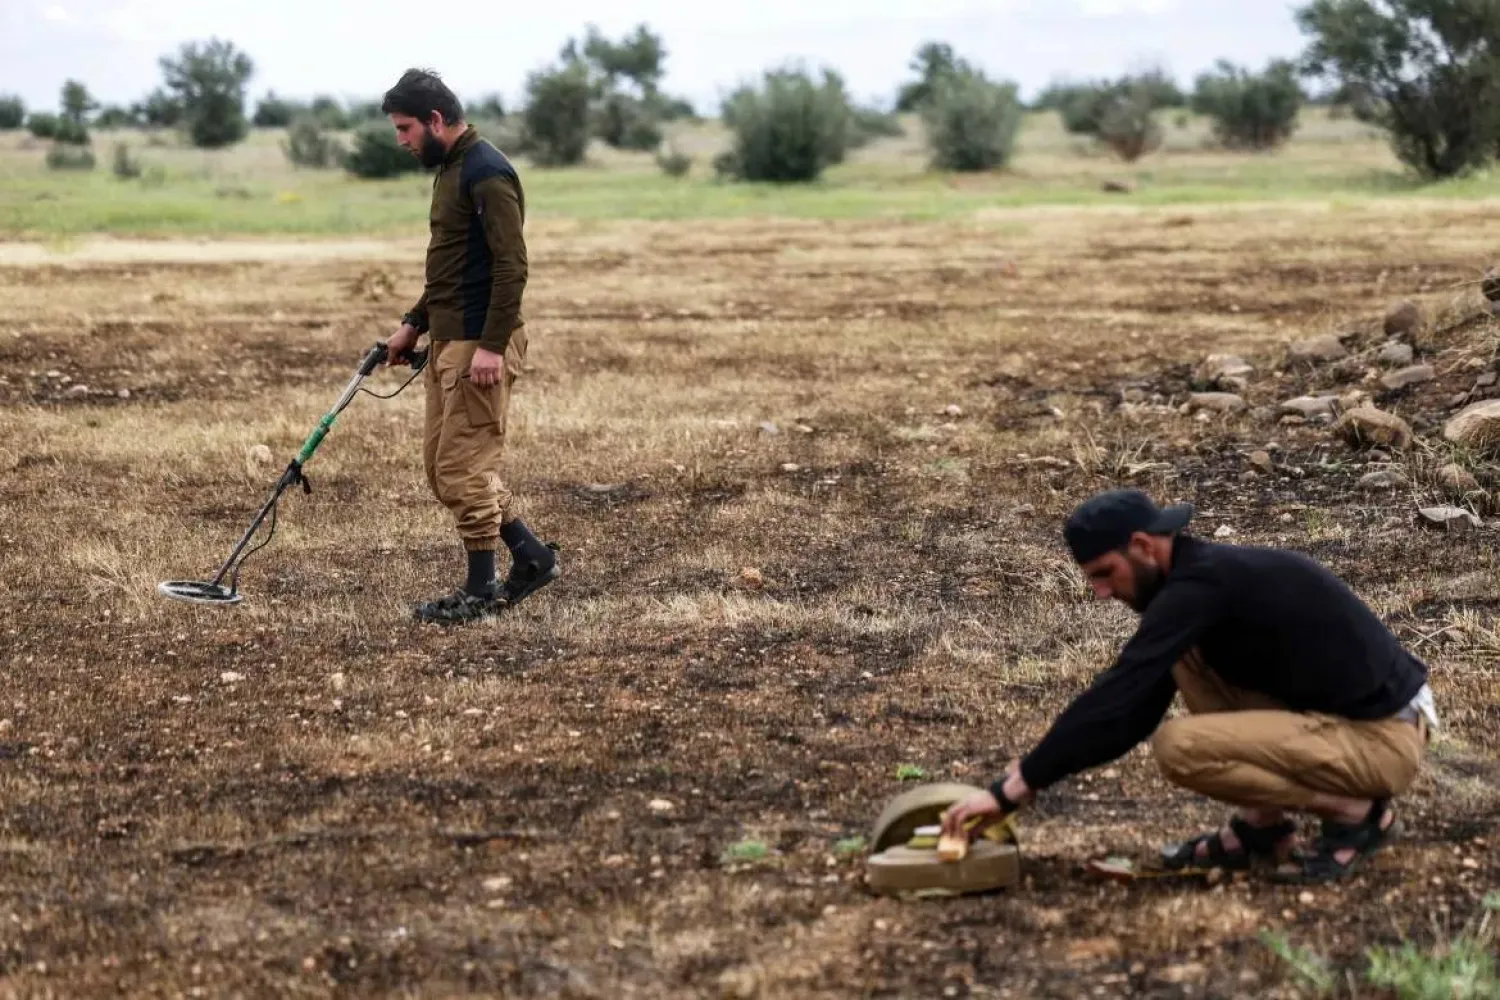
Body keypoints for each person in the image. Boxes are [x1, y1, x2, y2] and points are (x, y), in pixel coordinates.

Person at [941, 488, 1439, 884]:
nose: (1100, 592)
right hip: (1353, 723)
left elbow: (1120, 695)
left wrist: (1014, 788)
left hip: (1383, 739)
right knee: (1184, 659)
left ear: (1142, 545)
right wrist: (1032, 774)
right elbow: (1133, 708)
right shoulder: (1195, 585)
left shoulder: (1205, 586)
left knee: (1180, 748)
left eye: (1105, 573)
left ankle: (1358, 814)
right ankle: (1261, 828)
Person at [380, 68, 559, 624]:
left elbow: (511, 267)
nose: (401, 140)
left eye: (406, 128)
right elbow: (454, 266)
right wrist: (414, 323)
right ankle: (531, 557)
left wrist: (492, 346)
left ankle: (480, 590)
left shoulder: (486, 171)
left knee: (462, 470)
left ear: (435, 119)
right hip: (451, 338)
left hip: (480, 343)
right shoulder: (452, 169)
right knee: (444, 470)